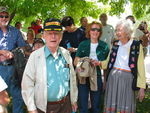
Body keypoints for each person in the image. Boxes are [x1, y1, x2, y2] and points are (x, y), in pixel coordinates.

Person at [22, 18, 78, 113]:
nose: (53, 36)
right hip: (44, 108)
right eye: (49, 33)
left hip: (65, 105)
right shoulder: (35, 56)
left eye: (56, 33)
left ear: (61, 36)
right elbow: (27, 84)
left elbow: (72, 79)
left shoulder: (66, 54)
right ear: (44, 35)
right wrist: (31, 108)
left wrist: (73, 100)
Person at [100, 20, 146, 113]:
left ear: (127, 31)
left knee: (126, 106)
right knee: (112, 106)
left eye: (119, 30)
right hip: (113, 79)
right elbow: (108, 61)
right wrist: (98, 63)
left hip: (128, 80)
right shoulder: (115, 44)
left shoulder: (136, 46)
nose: (117, 32)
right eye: (116, 30)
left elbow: (141, 67)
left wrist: (142, 88)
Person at [74, 21, 109, 113]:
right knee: (83, 104)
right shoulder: (83, 44)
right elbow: (75, 61)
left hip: (97, 76)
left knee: (96, 105)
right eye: (93, 29)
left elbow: (107, 66)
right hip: (83, 76)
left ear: (100, 32)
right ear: (89, 31)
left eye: (98, 29)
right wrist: (84, 62)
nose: (95, 31)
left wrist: (105, 81)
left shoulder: (104, 46)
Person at [0, 6, 26, 113]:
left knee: (17, 97)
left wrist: (14, 52)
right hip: (0, 69)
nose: (4, 18)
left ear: (9, 17)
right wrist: (1, 52)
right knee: (1, 99)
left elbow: (23, 47)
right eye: (1, 16)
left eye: (6, 16)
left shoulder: (15, 31)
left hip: (13, 68)